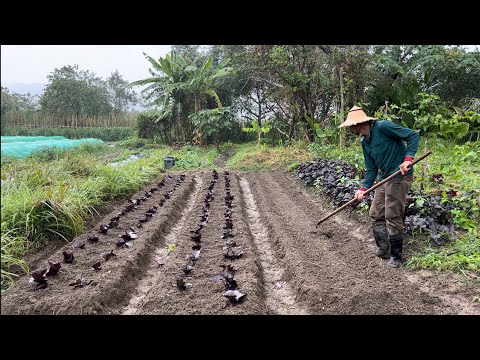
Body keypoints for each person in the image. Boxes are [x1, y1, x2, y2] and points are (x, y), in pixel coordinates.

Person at [338, 106, 420, 268]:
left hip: (399, 175)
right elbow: (371, 169)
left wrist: (408, 159)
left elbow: (413, 135)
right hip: (384, 178)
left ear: (359, 124)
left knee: (392, 215)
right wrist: (363, 188)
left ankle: (396, 256)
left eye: (350, 126)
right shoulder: (364, 141)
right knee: (376, 213)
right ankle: (383, 248)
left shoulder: (383, 127)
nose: (349, 129)